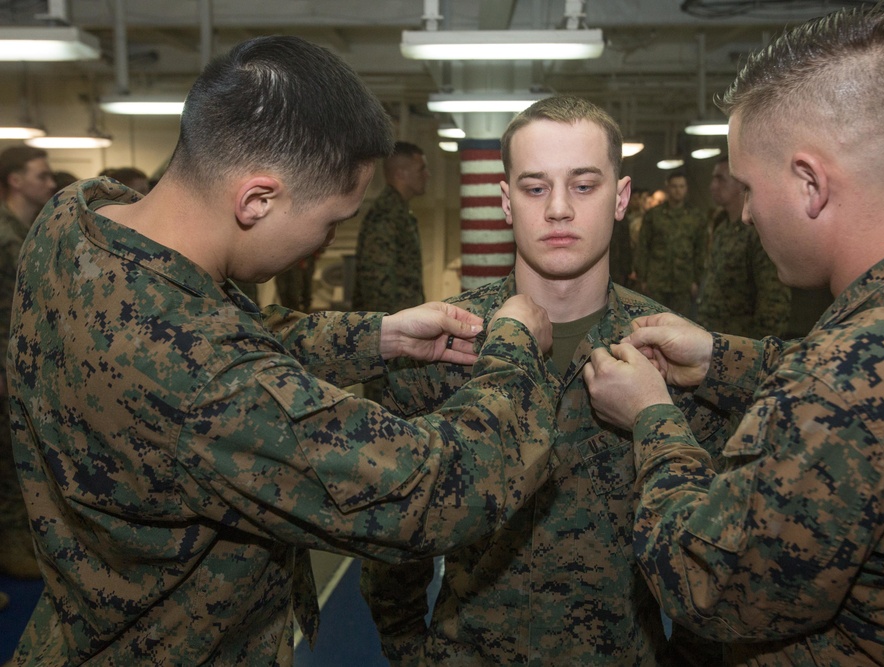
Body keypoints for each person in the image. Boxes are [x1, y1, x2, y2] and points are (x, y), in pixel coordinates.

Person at [7, 35, 561, 666]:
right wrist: (515, 346)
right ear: (257, 200)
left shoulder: (74, 221)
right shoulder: (209, 386)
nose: (323, 245)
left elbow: (200, 327)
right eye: (330, 222)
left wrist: (376, 336)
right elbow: (438, 490)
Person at [584, 6, 884, 665]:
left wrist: (653, 419)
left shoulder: (840, 384)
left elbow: (706, 582)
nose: (745, 212)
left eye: (749, 186)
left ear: (809, 183)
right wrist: (722, 360)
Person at [360, 96, 728, 666]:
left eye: (583, 186)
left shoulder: (673, 357)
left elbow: (710, 546)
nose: (558, 209)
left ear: (621, 197)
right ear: (506, 202)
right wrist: (412, 652)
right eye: (535, 188)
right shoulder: (441, 346)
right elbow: (393, 540)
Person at [0, 144, 56, 582]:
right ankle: (11, 540)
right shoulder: (4, 235)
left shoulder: (29, 229)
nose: (51, 183)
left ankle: (19, 537)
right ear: (15, 180)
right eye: (41, 175)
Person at [352, 140, 430, 402]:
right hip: (388, 342)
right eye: (421, 169)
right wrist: (388, 336)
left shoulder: (399, 212)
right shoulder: (386, 215)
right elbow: (376, 285)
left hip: (402, 337)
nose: (427, 175)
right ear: (401, 174)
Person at [697, 155, 790, 338]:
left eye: (720, 179)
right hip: (715, 339)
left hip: (742, 342)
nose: (712, 186)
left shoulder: (757, 232)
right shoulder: (722, 228)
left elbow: (773, 298)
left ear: (741, 184)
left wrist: (761, 352)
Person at [633, 173, 707, 317]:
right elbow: (643, 246)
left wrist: (696, 280)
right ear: (667, 188)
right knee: (654, 324)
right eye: (674, 186)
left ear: (686, 189)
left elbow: (701, 250)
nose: (678, 190)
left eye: (681, 186)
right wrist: (642, 278)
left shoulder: (696, 217)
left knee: (681, 326)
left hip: (683, 282)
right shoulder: (654, 215)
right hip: (656, 281)